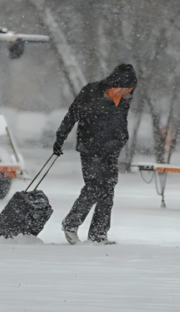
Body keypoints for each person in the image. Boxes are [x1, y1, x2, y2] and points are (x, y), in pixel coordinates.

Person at [53, 64, 137, 245]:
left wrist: (122, 138)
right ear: (118, 84)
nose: (130, 93)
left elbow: (121, 121)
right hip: (90, 148)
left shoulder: (124, 99)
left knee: (108, 189)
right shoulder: (91, 91)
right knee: (94, 186)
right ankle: (71, 224)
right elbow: (72, 114)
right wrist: (60, 137)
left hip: (111, 149)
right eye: (128, 89)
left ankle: (98, 234)